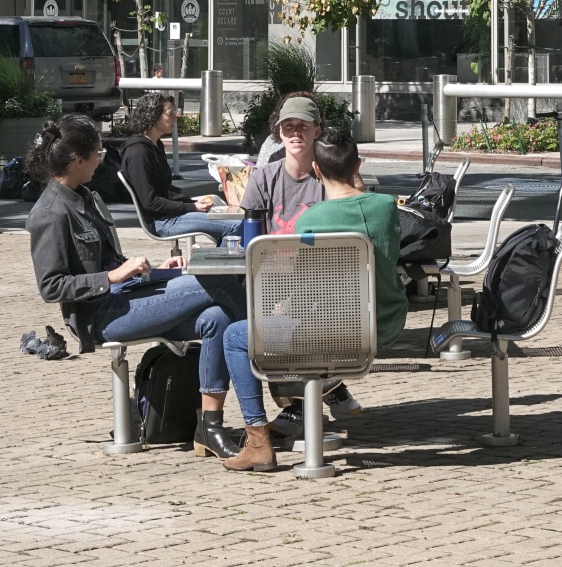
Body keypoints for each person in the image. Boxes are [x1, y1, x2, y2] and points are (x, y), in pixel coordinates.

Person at [25, 115, 244, 459]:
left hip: (126, 297)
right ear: (77, 160)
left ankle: (209, 427)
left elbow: (112, 261)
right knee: (218, 280)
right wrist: (113, 277)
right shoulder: (50, 213)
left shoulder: (86, 196)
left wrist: (154, 270)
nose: (102, 159)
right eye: (98, 153)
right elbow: (51, 287)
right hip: (101, 316)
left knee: (216, 317)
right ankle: (277, 366)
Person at [220, 127, 407, 472]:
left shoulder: (310, 220)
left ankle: (258, 441)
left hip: (324, 332)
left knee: (234, 336)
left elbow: (292, 282)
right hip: (383, 326)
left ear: (317, 171)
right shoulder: (386, 208)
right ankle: (322, 396)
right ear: (358, 165)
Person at [120, 91, 242, 245]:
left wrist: (191, 203)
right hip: (162, 221)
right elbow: (150, 202)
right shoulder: (138, 152)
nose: (175, 118)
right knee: (236, 227)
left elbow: (164, 190)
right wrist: (192, 207)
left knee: (232, 217)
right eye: (170, 114)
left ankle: (221, 259)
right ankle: (223, 266)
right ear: (153, 116)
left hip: (171, 214)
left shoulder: (155, 145)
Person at [241, 92, 325, 234]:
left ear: (317, 132)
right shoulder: (261, 178)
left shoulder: (330, 177)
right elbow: (252, 237)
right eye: (289, 125)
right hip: (271, 255)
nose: (295, 132)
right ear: (280, 132)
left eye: (303, 125)